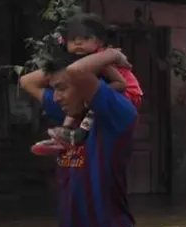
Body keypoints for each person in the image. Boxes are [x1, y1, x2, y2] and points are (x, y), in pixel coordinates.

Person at [18, 47, 138, 227]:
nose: (55, 97)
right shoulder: (70, 112)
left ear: (87, 85)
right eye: (54, 88)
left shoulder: (116, 113)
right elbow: (27, 81)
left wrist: (114, 55)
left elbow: (77, 71)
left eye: (62, 88)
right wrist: (60, 68)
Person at [30, 13, 143, 156]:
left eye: (85, 38)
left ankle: (78, 133)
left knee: (87, 98)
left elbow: (121, 84)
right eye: (73, 40)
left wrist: (93, 95)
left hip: (128, 94)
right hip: (111, 92)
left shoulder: (100, 59)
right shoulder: (80, 61)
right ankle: (64, 134)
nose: (78, 43)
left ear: (100, 42)